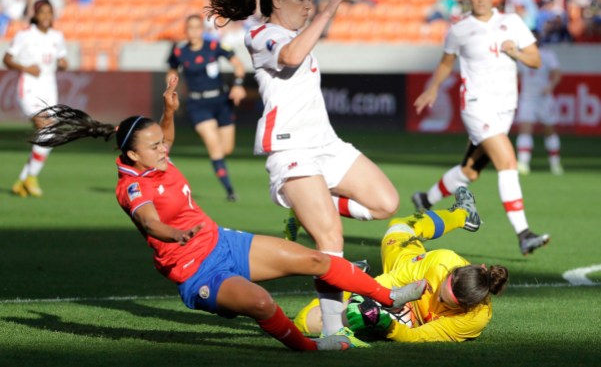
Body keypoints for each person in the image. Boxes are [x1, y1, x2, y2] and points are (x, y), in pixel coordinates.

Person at [29, 75, 425, 351]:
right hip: (196, 270)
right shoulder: (133, 186)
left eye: (161, 144)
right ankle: (310, 348)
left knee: (318, 259)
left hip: (224, 243)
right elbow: (150, 221)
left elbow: (165, 137)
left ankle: (387, 296)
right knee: (264, 305)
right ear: (132, 155)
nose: (164, 149)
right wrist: (173, 235)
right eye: (154, 147)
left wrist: (168, 111)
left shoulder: (154, 158)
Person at [203, 0, 400, 343]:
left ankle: (309, 206)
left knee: (386, 203)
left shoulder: (287, 24)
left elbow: (295, 24)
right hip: (291, 149)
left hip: (326, 144)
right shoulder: (261, 34)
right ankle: (333, 332)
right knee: (331, 240)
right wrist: (328, 8)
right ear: (276, 2)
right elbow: (291, 55)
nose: (310, 6)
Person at [412, 0, 550, 256]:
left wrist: (516, 53)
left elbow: (535, 59)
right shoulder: (460, 29)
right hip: (476, 106)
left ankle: (426, 198)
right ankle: (524, 233)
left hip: (505, 108)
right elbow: (446, 62)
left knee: (470, 172)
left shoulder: (511, 22)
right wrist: (433, 88)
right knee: (508, 161)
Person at [294, 187, 510, 343]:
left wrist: (386, 325)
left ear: (463, 306)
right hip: (401, 279)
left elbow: (419, 336)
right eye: (439, 288)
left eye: (444, 301)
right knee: (399, 227)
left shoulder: (474, 319)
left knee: (304, 322)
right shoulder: (443, 262)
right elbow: (392, 280)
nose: (436, 296)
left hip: (404, 321)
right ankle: (463, 215)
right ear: (451, 274)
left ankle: (355, 280)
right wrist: (362, 292)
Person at [167, 14, 246, 202]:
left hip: (221, 101)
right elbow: (171, 71)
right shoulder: (179, 52)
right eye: (190, 28)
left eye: (197, 27)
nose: (193, 32)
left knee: (226, 148)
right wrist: (171, 90)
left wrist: (238, 84)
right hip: (197, 104)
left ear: (202, 30)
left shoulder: (213, 46)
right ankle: (230, 191)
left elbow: (238, 65)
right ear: (186, 31)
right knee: (214, 146)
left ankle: (226, 183)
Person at [4, 0, 68, 198]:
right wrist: (26, 68)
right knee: (45, 126)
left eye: (49, 12)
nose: (46, 16)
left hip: (50, 87)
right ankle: (31, 178)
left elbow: (61, 59)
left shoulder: (57, 36)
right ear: (35, 14)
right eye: (42, 12)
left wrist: (63, 63)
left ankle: (24, 180)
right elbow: (6, 59)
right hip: (29, 86)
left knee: (49, 134)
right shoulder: (24, 35)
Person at [515, 34, 563, 175]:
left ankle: (555, 164)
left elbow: (557, 73)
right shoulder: (521, 55)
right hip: (527, 98)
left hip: (544, 98)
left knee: (549, 130)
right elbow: (516, 74)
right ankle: (523, 163)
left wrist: (550, 86)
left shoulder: (547, 55)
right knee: (525, 128)